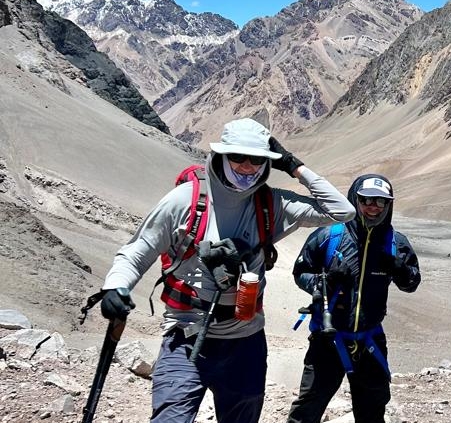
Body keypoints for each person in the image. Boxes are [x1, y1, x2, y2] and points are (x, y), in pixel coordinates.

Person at [97, 118, 355, 423]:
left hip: (245, 344)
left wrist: (293, 165)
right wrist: (116, 286)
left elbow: (342, 210)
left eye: (257, 159)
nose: (247, 167)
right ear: (221, 156)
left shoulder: (271, 203)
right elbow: (137, 251)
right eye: (237, 157)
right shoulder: (185, 201)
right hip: (185, 338)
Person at [287, 174, 421, 423]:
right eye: (367, 199)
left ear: (389, 205)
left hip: (370, 339)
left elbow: (411, 283)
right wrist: (323, 281)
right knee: (308, 409)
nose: (373, 206)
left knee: (372, 411)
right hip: (328, 338)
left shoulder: (396, 243)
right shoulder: (329, 236)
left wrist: (399, 267)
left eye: (381, 202)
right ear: (355, 199)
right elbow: (300, 272)